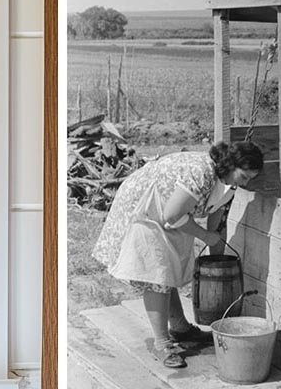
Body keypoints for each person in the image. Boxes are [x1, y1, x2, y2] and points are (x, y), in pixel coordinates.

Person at [92, 140, 264, 368]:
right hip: (144, 207)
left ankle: (180, 328)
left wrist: (216, 258)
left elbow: (217, 216)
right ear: (231, 165)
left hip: (167, 210)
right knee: (157, 273)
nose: (245, 183)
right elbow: (172, 215)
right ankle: (161, 342)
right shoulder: (201, 172)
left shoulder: (229, 183)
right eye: (244, 176)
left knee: (169, 267)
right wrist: (205, 236)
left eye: (250, 179)